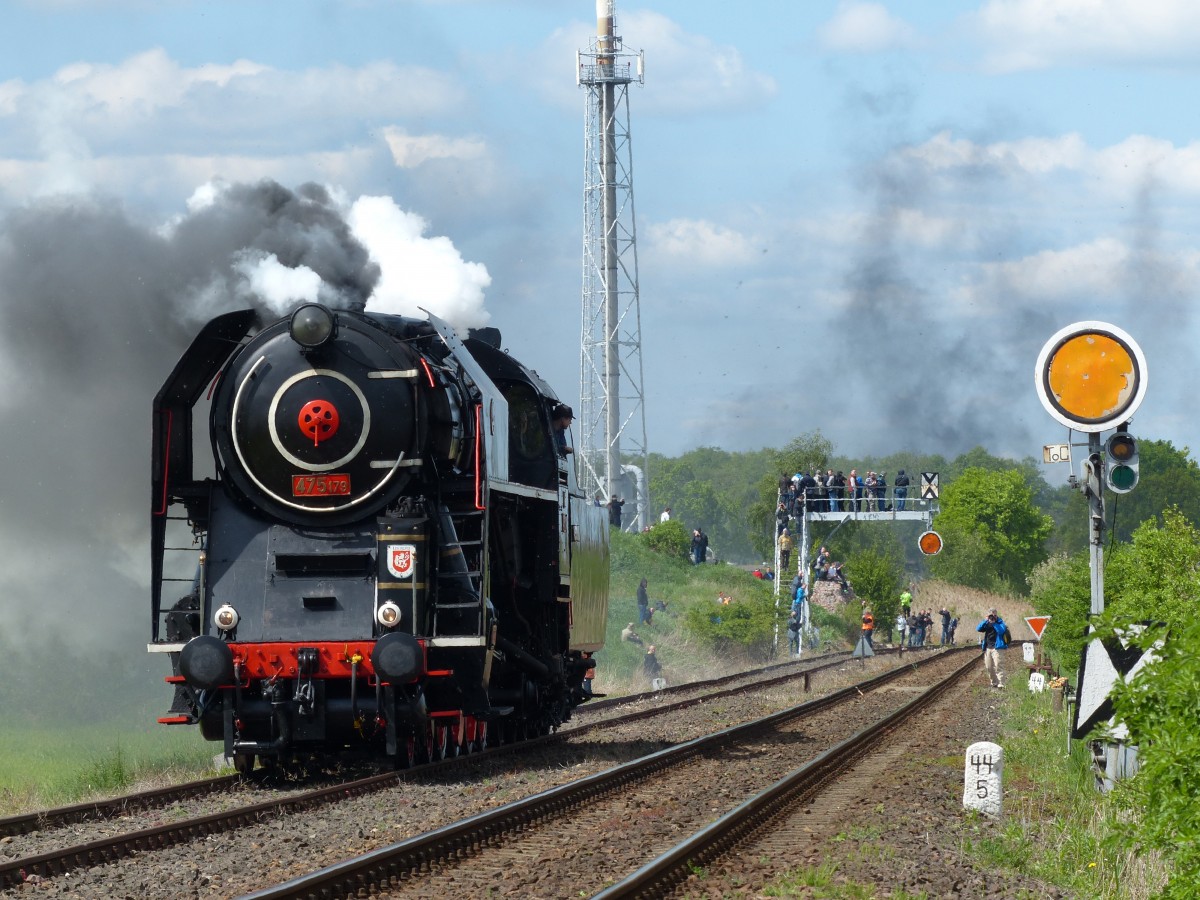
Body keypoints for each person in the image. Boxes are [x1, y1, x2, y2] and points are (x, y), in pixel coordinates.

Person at [977, 608, 1009, 688]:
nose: (993, 616)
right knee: (989, 667)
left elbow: (1001, 631)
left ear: (996, 614)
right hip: (988, 647)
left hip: (997, 648)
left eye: (994, 614)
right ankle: (994, 683)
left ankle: (1001, 683)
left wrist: (994, 623)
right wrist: (986, 620)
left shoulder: (1000, 622)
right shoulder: (987, 622)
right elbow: (978, 628)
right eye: (991, 615)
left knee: (998, 665)